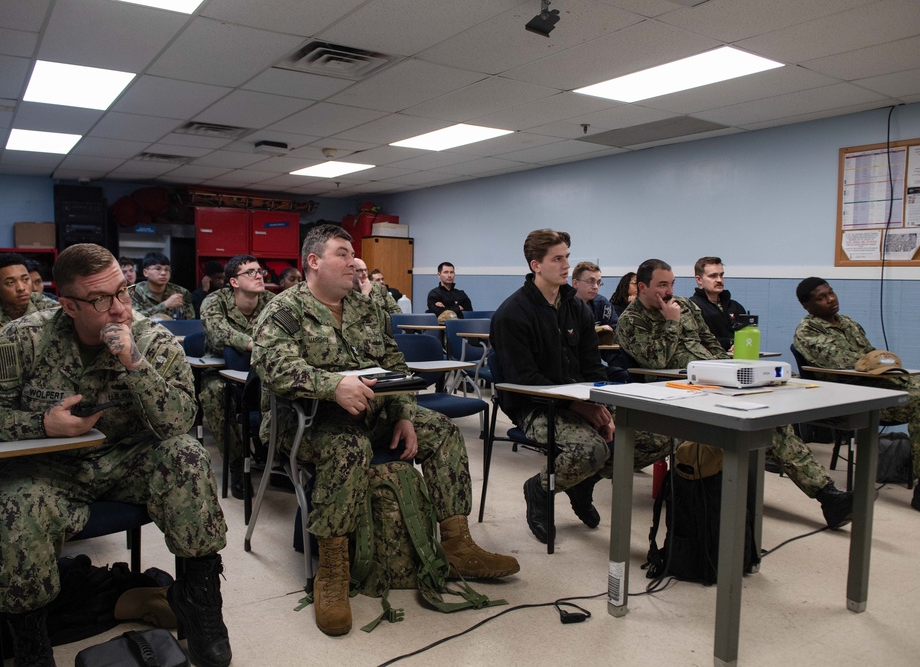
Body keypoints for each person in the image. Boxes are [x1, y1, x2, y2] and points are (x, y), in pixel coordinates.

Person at [0, 244, 231, 667]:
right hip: (48, 468)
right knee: (14, 505)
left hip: (127, 461)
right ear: (68, 305)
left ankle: (201, 602)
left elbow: (180, 421)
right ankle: (29, 642)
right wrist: (40, 424)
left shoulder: (152, 338)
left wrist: (136, 365)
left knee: (187, 456)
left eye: (123, 291)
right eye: (100, 299)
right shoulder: (25, 338)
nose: (119, 309)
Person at [251, 224, 518, 637]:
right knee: (348, 447)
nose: (355, 263)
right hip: (306, 421)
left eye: (353, 254)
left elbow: (392, 363)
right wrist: (332, 384)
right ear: (314, 262)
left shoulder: (366, 308)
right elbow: (274, 368)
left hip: (371, 411)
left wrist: (404, 413)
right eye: (343, 253)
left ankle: (457, 544)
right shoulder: (283, 310)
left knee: (443, 431)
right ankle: (333, 571)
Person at [615, 259, 853, 529]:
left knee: (774, 420)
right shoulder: (630, 321)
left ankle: (828, 495)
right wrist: (671, 323)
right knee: (767, 427)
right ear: (643, 287)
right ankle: (826, 496)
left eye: (671, 284)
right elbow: (656, 362)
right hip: (678, 389)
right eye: (661, 285)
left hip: (717, 380)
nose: (669, 291)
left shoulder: (686, 306)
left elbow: (708, 342)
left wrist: (729, 369)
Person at [491, 230, 621, 542]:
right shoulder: (513, 313)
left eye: (567, 257)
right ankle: (540, 489)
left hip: (577, 399)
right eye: (558, 259)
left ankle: (581, 482)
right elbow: (525, 380)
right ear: (536, 265)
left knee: (642, 437)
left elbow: (591, 365)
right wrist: (580, 406)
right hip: (533, 406)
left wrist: (600, 404)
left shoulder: (576, 308)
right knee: (591, 448)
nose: (566, 265)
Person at [793, 277, 920, 521]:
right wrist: (877, 362)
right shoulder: (807, 331)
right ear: (807, 306)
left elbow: (875, 358)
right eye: (821, 297)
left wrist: (880, 363)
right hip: (851, 397)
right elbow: (848, 364)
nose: (831, 299)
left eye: (831, 292)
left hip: (883, 384)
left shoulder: (849, 323)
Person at [199, 254, 275, 499]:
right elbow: (218, 332)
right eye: (250, 272)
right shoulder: (214, 301)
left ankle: (271, 453)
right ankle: (236, 464)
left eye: (259, 271)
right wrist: (252, 343)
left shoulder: (272, 301)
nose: (258, 276)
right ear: (233, 281)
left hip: (263, 370)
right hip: (221, 371)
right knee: (214, 394)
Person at [689, 256, 747, 350]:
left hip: (738, 360)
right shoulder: (692, 306)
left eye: (721, 275)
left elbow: (748, 336)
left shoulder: (735, 307)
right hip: (708, 361)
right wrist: (730, 343)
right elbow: (696, 341)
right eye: (713, 276)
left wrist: (740, 345)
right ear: (699, 280)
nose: (719, 280)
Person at [131, 252, 194, 320]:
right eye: (158, 269)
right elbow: (134, 319)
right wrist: (165, 305)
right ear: (145, 273)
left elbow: (190, 321)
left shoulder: (181, 292)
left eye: (167, 269)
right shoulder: (134, 292)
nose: (163, 273)